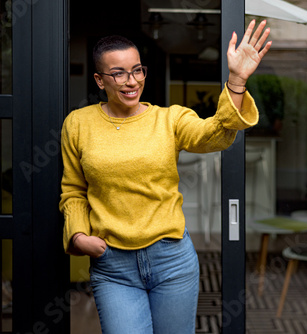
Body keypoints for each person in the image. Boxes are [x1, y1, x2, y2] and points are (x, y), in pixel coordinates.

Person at [59, 19, 272, 334]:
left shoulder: (169, 119)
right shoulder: (78, 124)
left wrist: (237, 80)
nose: (131, 81)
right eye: (118, 73)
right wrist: (78, 236)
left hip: (172, 260)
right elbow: (74, 190)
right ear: (100, 80)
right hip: (113, 265)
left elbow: (216, 134)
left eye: (137, 70)